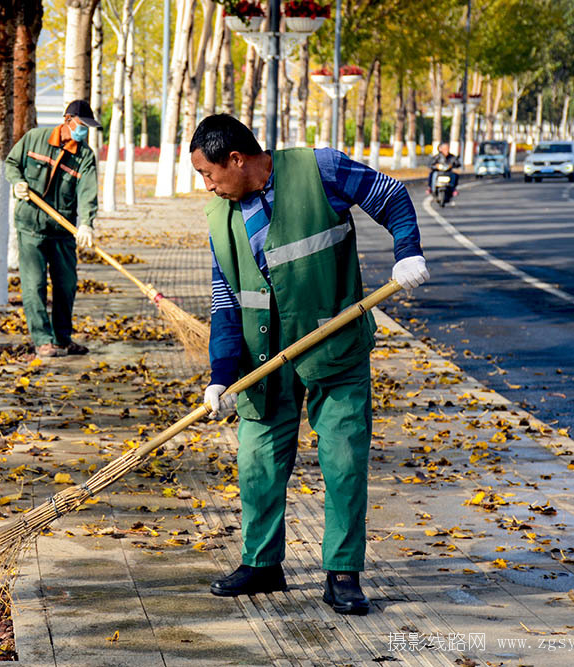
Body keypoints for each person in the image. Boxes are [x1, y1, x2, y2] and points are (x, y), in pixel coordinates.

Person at [190, 114, 429, 616]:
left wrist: (406, 252)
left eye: (209, 175)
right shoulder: (219, 217)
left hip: (332, 345)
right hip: (263, 357)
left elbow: (392, 196)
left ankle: (343, 573)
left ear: (237, 159)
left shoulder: (319, 169)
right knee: (256, 462)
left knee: (343, 461)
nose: (208, 188)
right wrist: (221, 375)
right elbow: (224, 300)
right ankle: (262, 565)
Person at [6, 100, 101, 358]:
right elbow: (11, 164)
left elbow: (88, 191)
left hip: (62, 230)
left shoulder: (84, 156)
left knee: (66, 284)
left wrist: (86, 224)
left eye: (87, 128)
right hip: (30, 228)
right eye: (82, 126)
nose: (84, 132)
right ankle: (42, 340)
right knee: (34, 284)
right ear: (68, 120)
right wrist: (17, 183)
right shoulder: (35, 139)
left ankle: (62, 338)